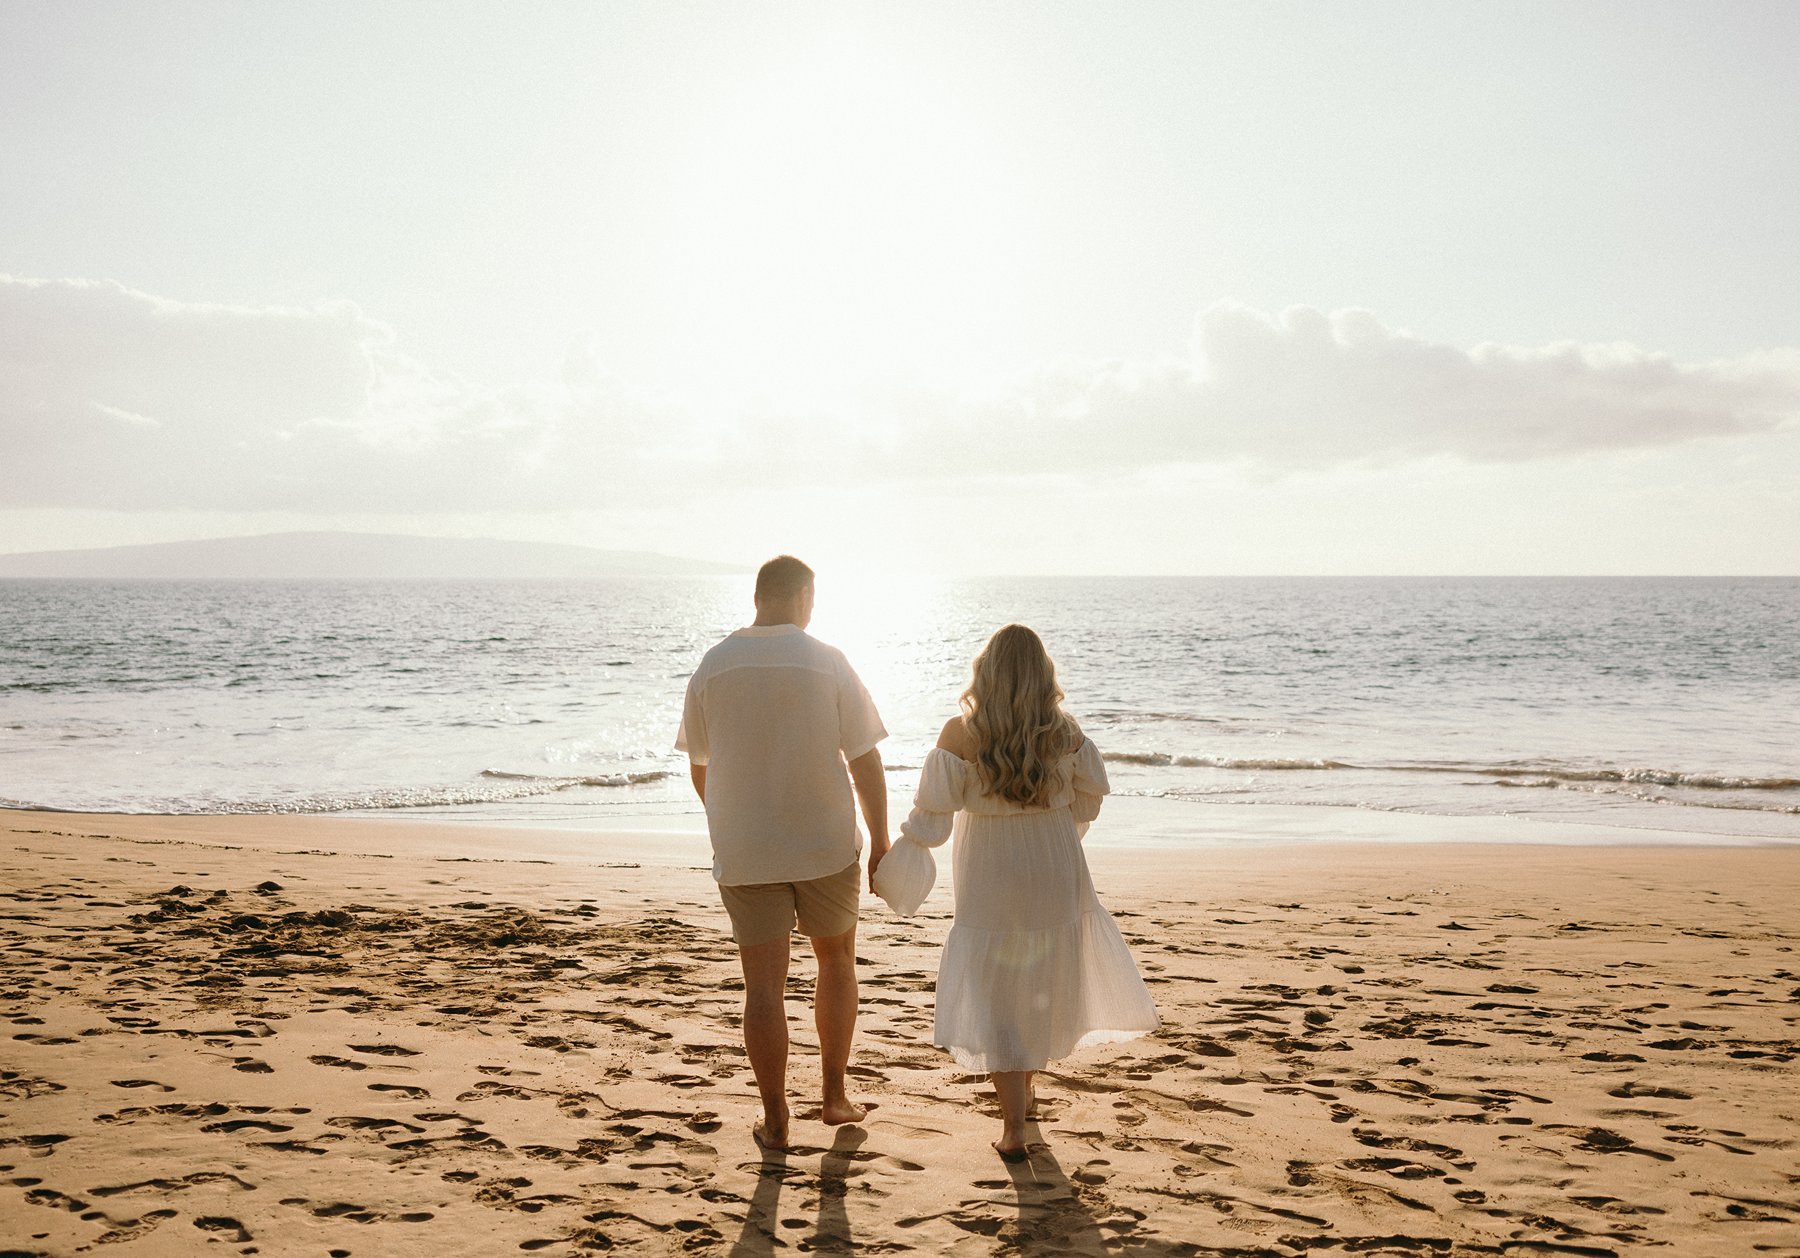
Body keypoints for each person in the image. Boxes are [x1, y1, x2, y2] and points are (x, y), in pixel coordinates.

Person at [880, 623, 1158, 1160]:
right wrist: (1058, 829)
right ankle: (1024, 1097)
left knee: (998, 988)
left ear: (984, 673)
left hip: (988, 863)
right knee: (1041, 976)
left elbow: (933, 815)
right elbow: (1090, 799)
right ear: (1042, 674)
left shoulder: (960, 733)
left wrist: (903, 854)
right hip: (1053, 861)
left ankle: (1012, 1124)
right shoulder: (1065, 732)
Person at [675, 555, 890, 1152]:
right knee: (837, 962)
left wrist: (734, 819)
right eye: (812, 600)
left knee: (763, 988)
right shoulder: (827, 661)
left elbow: (701, 767)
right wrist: (881, 840)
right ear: (800, 598)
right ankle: (833, 1096)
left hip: (746, 847)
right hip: (824, 843)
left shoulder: (713, 666)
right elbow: (865, 759)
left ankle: (775, 1119)